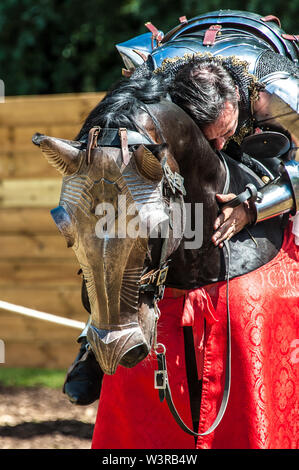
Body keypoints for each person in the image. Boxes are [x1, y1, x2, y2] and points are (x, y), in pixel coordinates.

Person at [63, 10, 299, 409]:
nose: (221, 146)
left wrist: (254, 207)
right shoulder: (155, 78)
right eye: (213, 139)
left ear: (237, 104)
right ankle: (95, 335)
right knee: (115, 217)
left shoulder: (276, 89)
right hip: (177, 155)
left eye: (225, 133)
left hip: (272, 162)